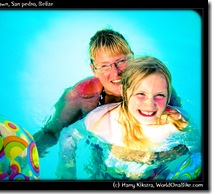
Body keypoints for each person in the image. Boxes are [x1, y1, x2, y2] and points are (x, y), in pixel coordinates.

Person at [33, 28, 184, 157]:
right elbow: (51, 133)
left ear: (132, 57)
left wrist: (154, 157)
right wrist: (25, 155)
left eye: (121, 61)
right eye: (105, 66)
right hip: (100, 148)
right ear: (94, 69)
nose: (116, 72)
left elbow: (180, 130)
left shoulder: (155, 86)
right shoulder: (81, 97)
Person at [55, 56, 201, 180]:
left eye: (160, 95)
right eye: (141, 94)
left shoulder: (176, 123)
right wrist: (67, 168)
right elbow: (68, 135)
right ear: (125, 91)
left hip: (155, 176)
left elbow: (198, 151)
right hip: (108, 174)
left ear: (168, 96)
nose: (150, 104)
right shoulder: (103, 120)